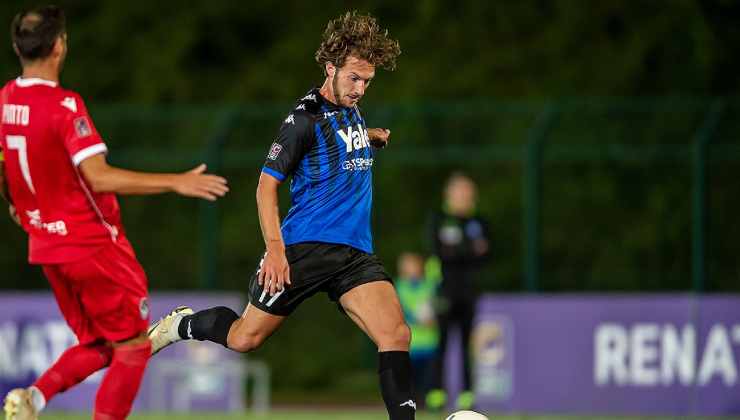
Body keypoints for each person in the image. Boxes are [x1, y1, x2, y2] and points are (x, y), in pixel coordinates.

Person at [147, 10, 416, 420]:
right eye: (354, 79)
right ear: (331, 68)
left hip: (354, 254)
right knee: (243, 338)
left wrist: (369, 135)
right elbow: (265, 185)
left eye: (367, 82)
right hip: (301, 250)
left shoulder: (350, 110)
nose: (360, 89)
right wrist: (275, 249)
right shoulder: (302, 120)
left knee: (396, 334)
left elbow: (337, 146)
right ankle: (181, 325)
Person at [0, 6, 229, 420]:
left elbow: (6, 164)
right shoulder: (64, 106)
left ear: (18, 47)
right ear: (59, 46)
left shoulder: (6, 99)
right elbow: (99, 177)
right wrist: (174, 181)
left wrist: (19, 208)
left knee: (102, 344)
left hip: (47, 247)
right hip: (92, 247)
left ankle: (31, 399)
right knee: (135, 346)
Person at [426, 173, 490, 412]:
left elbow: (485, 255)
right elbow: (438, 250)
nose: (464, 196)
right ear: (449, 194)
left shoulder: (479, 222)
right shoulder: (439, 218)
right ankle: (436, 394)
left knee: (466, 344)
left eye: (468, 191)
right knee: (441, 342)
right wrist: (467, 250)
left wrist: (457, 249)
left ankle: (467, 396)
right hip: (444, 289)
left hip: (470, 291)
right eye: (460, 191)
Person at [395, 252, 440, 407]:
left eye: (414, 265)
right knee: (410, 379)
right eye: (408, 266)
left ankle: (431, 404)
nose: (412, 269)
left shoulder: (428, 285)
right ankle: (411, 404)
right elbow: (401, 309)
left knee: (429, 379)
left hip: (429, 341)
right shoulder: (399, 286)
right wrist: (417, 319)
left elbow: (437, 295)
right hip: (410, 343)